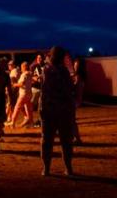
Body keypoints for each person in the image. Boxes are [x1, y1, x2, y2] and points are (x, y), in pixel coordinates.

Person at [40, 46, 76, 177]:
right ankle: (65, 168)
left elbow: (44, 93)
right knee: (64, 141)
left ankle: (48, 169)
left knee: (48, 141)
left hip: (53, 111)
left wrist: (42, 109)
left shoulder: (48, 70)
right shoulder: (61, 71)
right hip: (60, 111)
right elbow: (69, 91)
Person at [10, 61, 34, 128]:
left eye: (21, 67)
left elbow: (22, 84)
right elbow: (31, 82)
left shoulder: (24, 74)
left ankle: (13, 123)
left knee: (17, 108)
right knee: (28, 109)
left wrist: (15, 84)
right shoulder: (30, 73)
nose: (21, 69)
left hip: (23, 94)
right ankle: (31, 123)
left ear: (24, 67)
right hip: (29, 93)